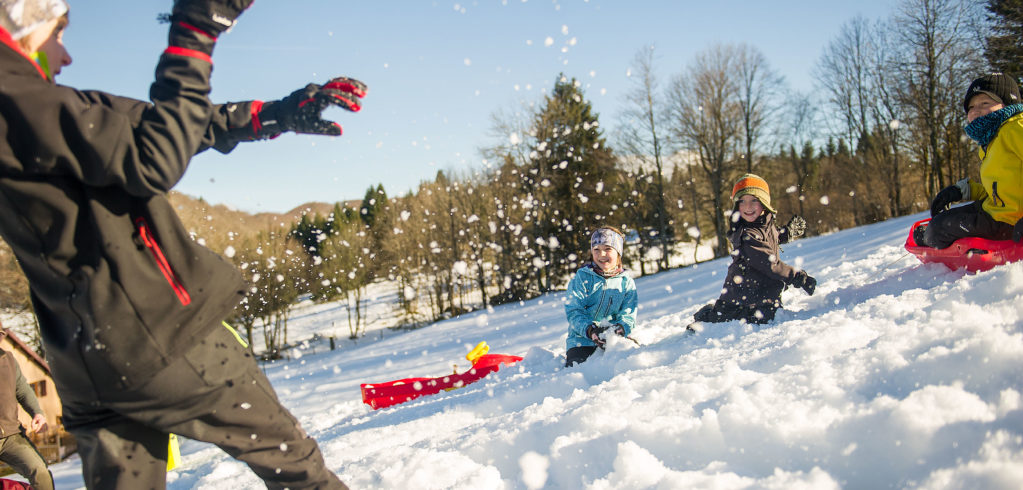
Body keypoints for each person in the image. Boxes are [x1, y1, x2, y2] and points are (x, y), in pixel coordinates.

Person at [0, 1, 367, 488]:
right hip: (156, 340)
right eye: (56, 34)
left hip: (85, 366)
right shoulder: (18, 100)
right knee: (297, 467)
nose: (64, 55)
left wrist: (271, 115)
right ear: (19, 24)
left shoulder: (34, 111)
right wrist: (193, 33)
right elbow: (157, 156)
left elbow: (161, 126)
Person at [692, 174, 816, 326]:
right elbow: (771, 265)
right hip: (743, 299)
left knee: (770, 312)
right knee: (762, 317)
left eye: (754, 200)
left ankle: (718, 312)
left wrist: (787, 232)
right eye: (742, 201)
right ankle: (707, 319)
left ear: (764, 203)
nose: (748, 207)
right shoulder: (747, 235)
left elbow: (771, 237)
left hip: (761, 293)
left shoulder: (765, 223)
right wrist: (797, 277)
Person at [922, 73, 1023, 249]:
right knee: (939, 222)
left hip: (1010, 220)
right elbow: (1002, 189)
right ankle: (930, 235)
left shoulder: (1016, 127)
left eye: (985, 103)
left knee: (939, 229)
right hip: (997, 211)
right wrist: (962, 191)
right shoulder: (992, 140)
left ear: (1009, 104)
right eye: (970, 107)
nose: (975, 111)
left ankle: (933, 237)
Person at [564, 227, 638, 367]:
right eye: (596, 249)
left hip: (613, 339)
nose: (601, 254)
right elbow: (574, 311)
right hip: (581, 341)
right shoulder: (582, 277)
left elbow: (628, 314)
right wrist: (591, 330)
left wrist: (620, 328)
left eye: (608, 248)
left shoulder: (625, 282)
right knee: (579, 371)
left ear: (618, 252)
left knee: (632, 363)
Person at [0, 329, 52, 490]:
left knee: (41, 472)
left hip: (10, 435)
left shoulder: (8, 359)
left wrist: (37, 413)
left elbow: (22, 390)